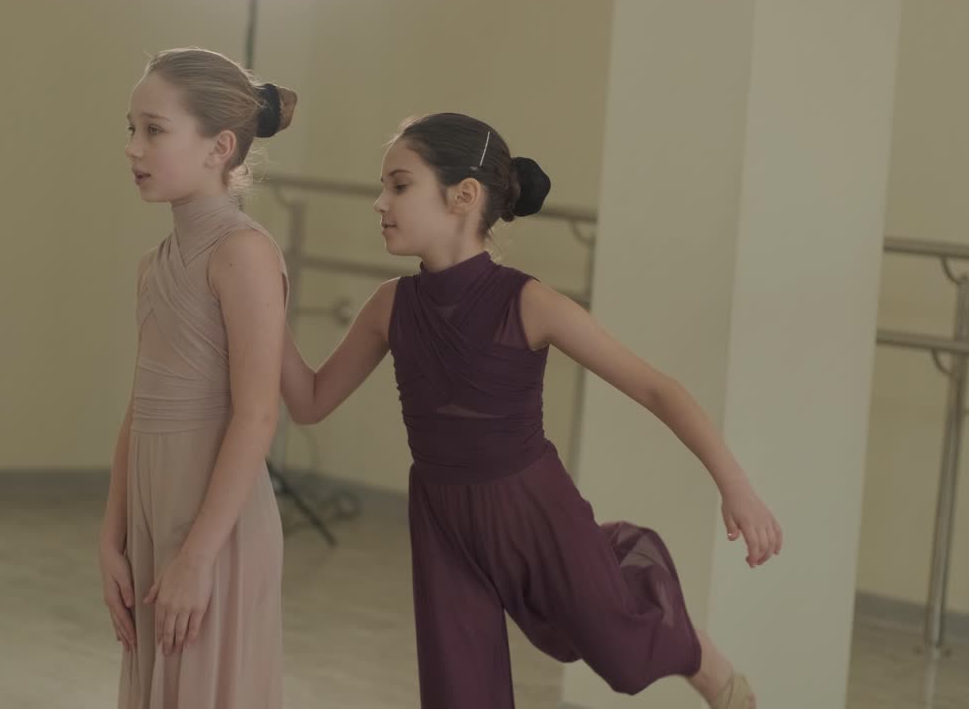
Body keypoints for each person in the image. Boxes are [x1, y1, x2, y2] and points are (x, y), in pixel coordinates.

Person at [279, 112, 781, 709]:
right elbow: (309, 402)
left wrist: (737, 487)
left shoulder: (529, 303)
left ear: (463, 196)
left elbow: (657, 389)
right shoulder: (390, 305)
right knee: (459, 693)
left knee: (623, 660)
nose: (379, 201)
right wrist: (264, 310)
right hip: (440, 514)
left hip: (532, 508)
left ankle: (701, 659)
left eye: (399, 184)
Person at [98, 47, 296, 709]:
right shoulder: (152, 266)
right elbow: (140, 406)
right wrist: (111, 537)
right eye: (131, 127)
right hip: (155, 517)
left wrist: (197, 559)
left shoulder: (242, 254)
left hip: (217, 532)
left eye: (154, 130)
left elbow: (257, 415)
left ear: (220, 147)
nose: (133, 147)